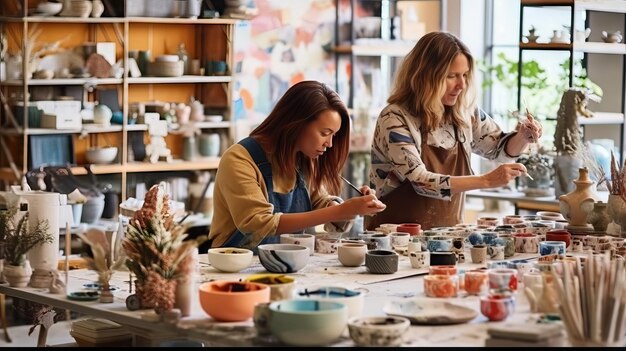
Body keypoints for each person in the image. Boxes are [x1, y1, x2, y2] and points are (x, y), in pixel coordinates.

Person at [366, 32, 542, 230]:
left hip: (445, 237)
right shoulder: (395, 118)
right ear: (425, 76)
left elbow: (498, 149)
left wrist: (522, 137)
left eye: (465, 75)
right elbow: (420, 181)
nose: (462, 85)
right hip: (392, 241)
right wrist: (486, 180)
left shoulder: (465, 113)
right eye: (451, 76)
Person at [210, 80, 386, 250]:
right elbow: (257, 224)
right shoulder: (239, 159)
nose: (330, 143)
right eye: (325, 133)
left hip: (286, 266)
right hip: (234, 267)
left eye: (334, 135)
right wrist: (340, 211)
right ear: (296, 123)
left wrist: (354, 207)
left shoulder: (303, 159)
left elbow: (321, 203)